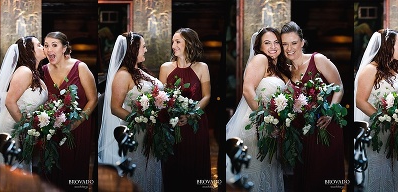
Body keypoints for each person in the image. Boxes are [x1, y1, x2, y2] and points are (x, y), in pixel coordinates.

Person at [280, 21, 345, 191]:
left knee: (323, 177)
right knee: (305, 179)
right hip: (302, 132)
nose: (289, 48)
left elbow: (339, 87)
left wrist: (330, 112)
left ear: (302, 42)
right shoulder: (285, 70)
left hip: (326, 126)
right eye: (285, 44)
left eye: (293, 43)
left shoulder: (318, 59)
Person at [223, 27, 290, 191]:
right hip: (256, 126)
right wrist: (264, 118)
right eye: (267, 43)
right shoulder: (261, 59)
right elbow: (247, 90)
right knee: (256, 170)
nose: (273, 46)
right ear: (259, 47)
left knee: (268, 170)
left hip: (272, 128)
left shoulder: (280, 68)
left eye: (276, 42)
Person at [98, 32, 163, 192]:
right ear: (133, 49)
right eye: (143, 47)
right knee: (138, 171)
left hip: (151, 130)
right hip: (135, 131)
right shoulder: (122, 75)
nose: (146, 50)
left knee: (151, 170)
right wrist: (140, 119)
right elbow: (115, 107)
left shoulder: (140, 71)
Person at [0, 35, 48, 165]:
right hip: (13, 128)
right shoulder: (24, 71)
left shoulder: (35, 73)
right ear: (30, 51)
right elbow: (10, 102)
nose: (43, 48)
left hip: (21, 127)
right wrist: (26, 128)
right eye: (39, 45)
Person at [40, 31, 98, 190]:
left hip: (77, 128)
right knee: (51, 172)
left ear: (65, 48)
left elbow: (93, 99)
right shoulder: (42, 71)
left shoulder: (80, 67)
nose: (49, 50)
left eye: (54, 45)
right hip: (51, 130)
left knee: (73, 173)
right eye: (46, 45)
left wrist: (77, 122)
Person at [354, 29, 398, 191]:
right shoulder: (370, 70)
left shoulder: (392, 69)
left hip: (395, 131)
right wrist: (386, 118)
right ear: (388, 46)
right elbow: (360, 101)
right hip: (378, 130)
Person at [157, 27, 212, 191]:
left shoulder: (202, 67)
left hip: (196, 122)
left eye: (177, 41)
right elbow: (161, 97)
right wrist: (171, 114)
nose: (173, 45)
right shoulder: (165, 67)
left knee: (193, 165)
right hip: (171, 124)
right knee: (173, 166)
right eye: (173, 42)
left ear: (189, 43)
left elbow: (207, 96)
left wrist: (190, 114)